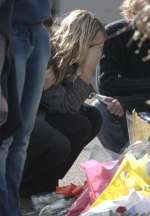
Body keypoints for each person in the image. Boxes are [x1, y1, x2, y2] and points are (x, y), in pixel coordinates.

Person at [20, 9, 107, 197]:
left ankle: (48, 181)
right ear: (82, 42)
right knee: (63, 141)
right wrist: (87, 73)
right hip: (31, 112)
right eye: (97, 47)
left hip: (46, 109)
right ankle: (33, 186)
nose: (100, 53)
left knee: (92, 117)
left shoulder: (71, 59)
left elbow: (68, 102)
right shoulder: (51, 54)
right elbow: (67, 105)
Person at [0, 1, 52, 215]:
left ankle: (12, 208)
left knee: (22, 137)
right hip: (8, 31)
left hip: (39, 31)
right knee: (5, 135)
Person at [96, 0, 150, 153]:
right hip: (123, 113)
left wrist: (126, 100)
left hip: (129, 104)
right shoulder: (114, 34)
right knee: (98, 109)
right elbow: (107, 84)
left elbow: (115, 84)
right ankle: (121, 158)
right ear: (131, 15)